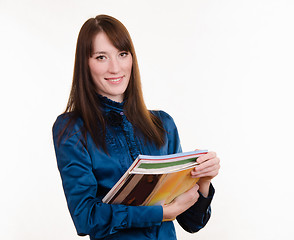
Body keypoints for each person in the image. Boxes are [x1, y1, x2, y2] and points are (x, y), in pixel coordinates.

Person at [52, 14, 220, 240]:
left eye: (122, 54)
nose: (115, 67)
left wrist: (203, 181)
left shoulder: (162, 124)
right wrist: (159, 213)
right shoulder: (72, 128)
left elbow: (191, 223)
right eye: (101, 57)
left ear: (132, 58)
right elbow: (85, 218)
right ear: (85, 64)